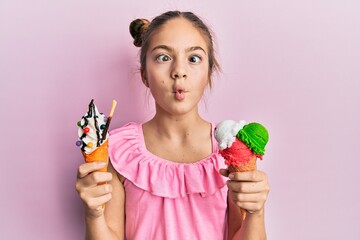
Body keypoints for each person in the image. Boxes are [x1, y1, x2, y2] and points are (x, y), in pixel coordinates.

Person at [75, 10, 270, 240]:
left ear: (208, 72)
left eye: (193, 58)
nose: (179, 71)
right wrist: (93, 214)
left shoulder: (231, 149)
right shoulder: (118, 151)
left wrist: (256, 212)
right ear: (144, 75)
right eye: (163, 57)